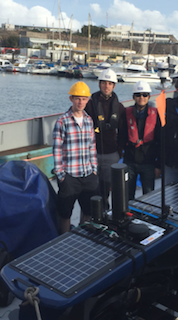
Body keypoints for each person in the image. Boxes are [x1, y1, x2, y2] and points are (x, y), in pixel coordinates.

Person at [52, 81, 99, 234]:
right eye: (77, 98)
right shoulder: (62, 121)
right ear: (71, 99)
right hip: (69, 175)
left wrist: (94, 170)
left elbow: (92, 146)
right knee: (65, 213)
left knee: (88, 211)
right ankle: (64, 240)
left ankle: (83, 237)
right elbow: (57, 149)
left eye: (84, 99)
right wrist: (60, 174)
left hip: (87, 174)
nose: (81, 102)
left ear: (87, 100)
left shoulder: (89, 121)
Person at [85, 68, 126, 210]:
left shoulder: (119, 108)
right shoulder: (89, 105)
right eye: (104, 83)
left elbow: (122, 132)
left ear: (114, 86)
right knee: (92, 187)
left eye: (110, 83)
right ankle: (91, 214)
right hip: (92, 154)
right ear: (99, 84)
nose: (106, 86)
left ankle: (104, 212)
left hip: (111, 154)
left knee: (106, 186)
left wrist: (119, 152)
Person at [118, 80, 161, 200]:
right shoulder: (126, 114)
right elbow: (121, 136)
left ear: (149, 96)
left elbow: (161, 141)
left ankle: (146, 217)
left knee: (148, 195)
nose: (141, 97)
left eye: (144, 95)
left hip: (148, 162)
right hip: (130, 161)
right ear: (133, 97)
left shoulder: (156, 115)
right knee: (128, 194)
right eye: (138, 95)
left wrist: (158, 165)